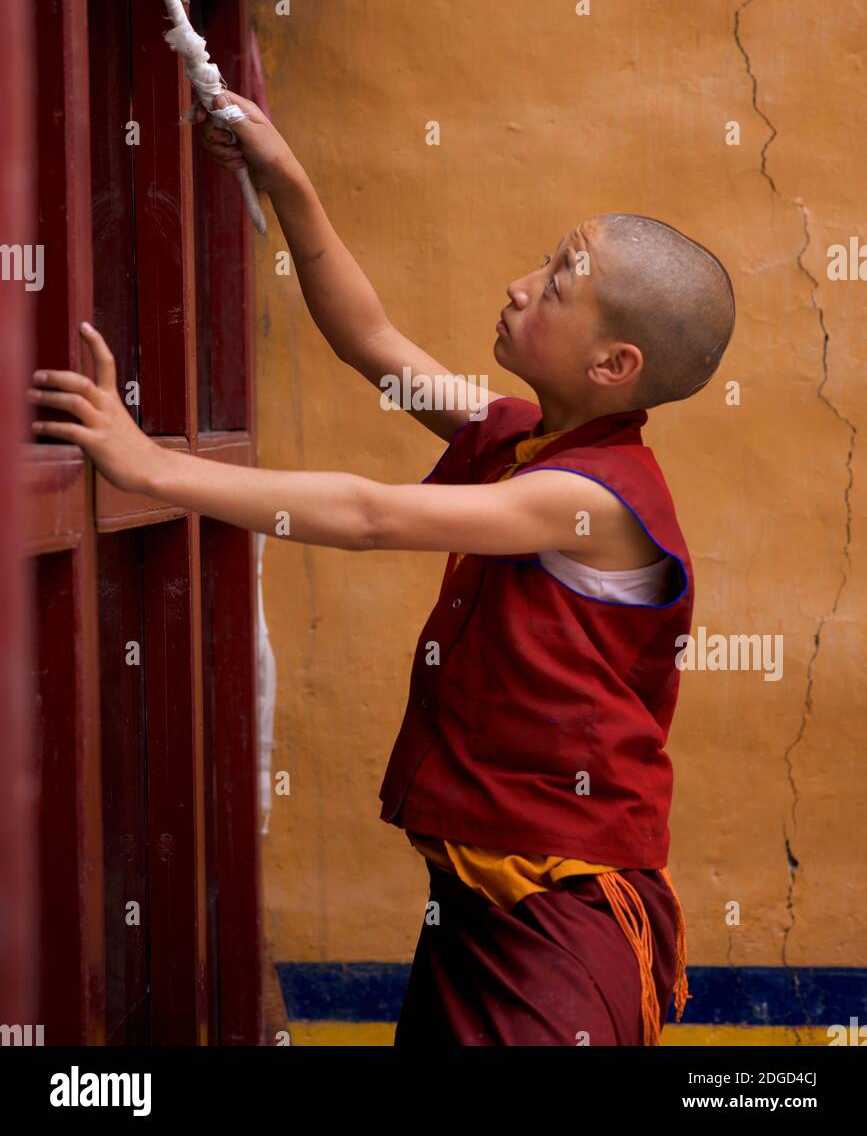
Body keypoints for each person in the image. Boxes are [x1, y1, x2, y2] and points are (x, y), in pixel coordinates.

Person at [27, 93, 735, 1046]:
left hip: (560, 913)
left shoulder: (595, 500)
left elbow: (371, 516)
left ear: (615, 365)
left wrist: (151, 467)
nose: (523, 285)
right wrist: (287, 180)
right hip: (476, 897)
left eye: (558, 285)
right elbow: (374, 346)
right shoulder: (522, 439)